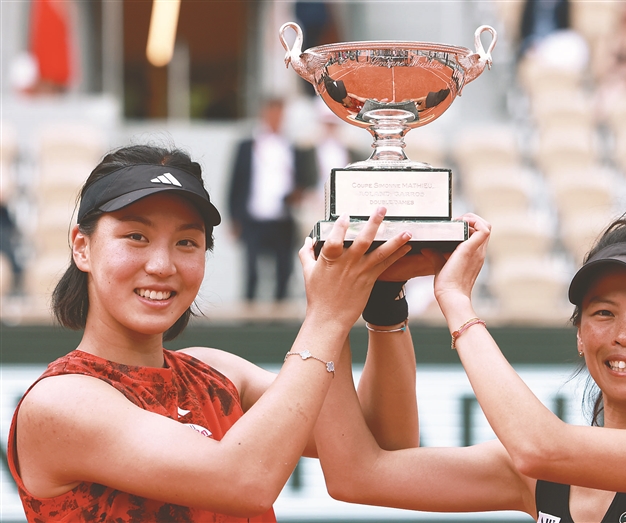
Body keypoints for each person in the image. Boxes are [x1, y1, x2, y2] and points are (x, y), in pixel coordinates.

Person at [7, 144, 421, 521]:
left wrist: (384, 303)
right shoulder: (59, 401)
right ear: (82, 247)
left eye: (187, 242)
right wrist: (327, 317)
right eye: (136, 236)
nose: (162, 265)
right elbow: (245, 482)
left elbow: (384, 443)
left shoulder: (216, 372)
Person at [314, 206, 626, 522]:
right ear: (580, 335)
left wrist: (456, 301)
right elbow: (356, 475)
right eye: (603, 313)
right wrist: (352, 307)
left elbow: (540, 449)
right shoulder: (540, 474)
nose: (624, 334)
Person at [228, 97, 317, 303]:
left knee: (283, 270)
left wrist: (296, 195)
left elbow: (304, 178)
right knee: (251, 271)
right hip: (253, 216)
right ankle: (249, 314)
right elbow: (235, 181)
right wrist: (234, 217)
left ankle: (279, 315)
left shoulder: (292, 146)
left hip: (283, 217)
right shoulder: (248, 146)